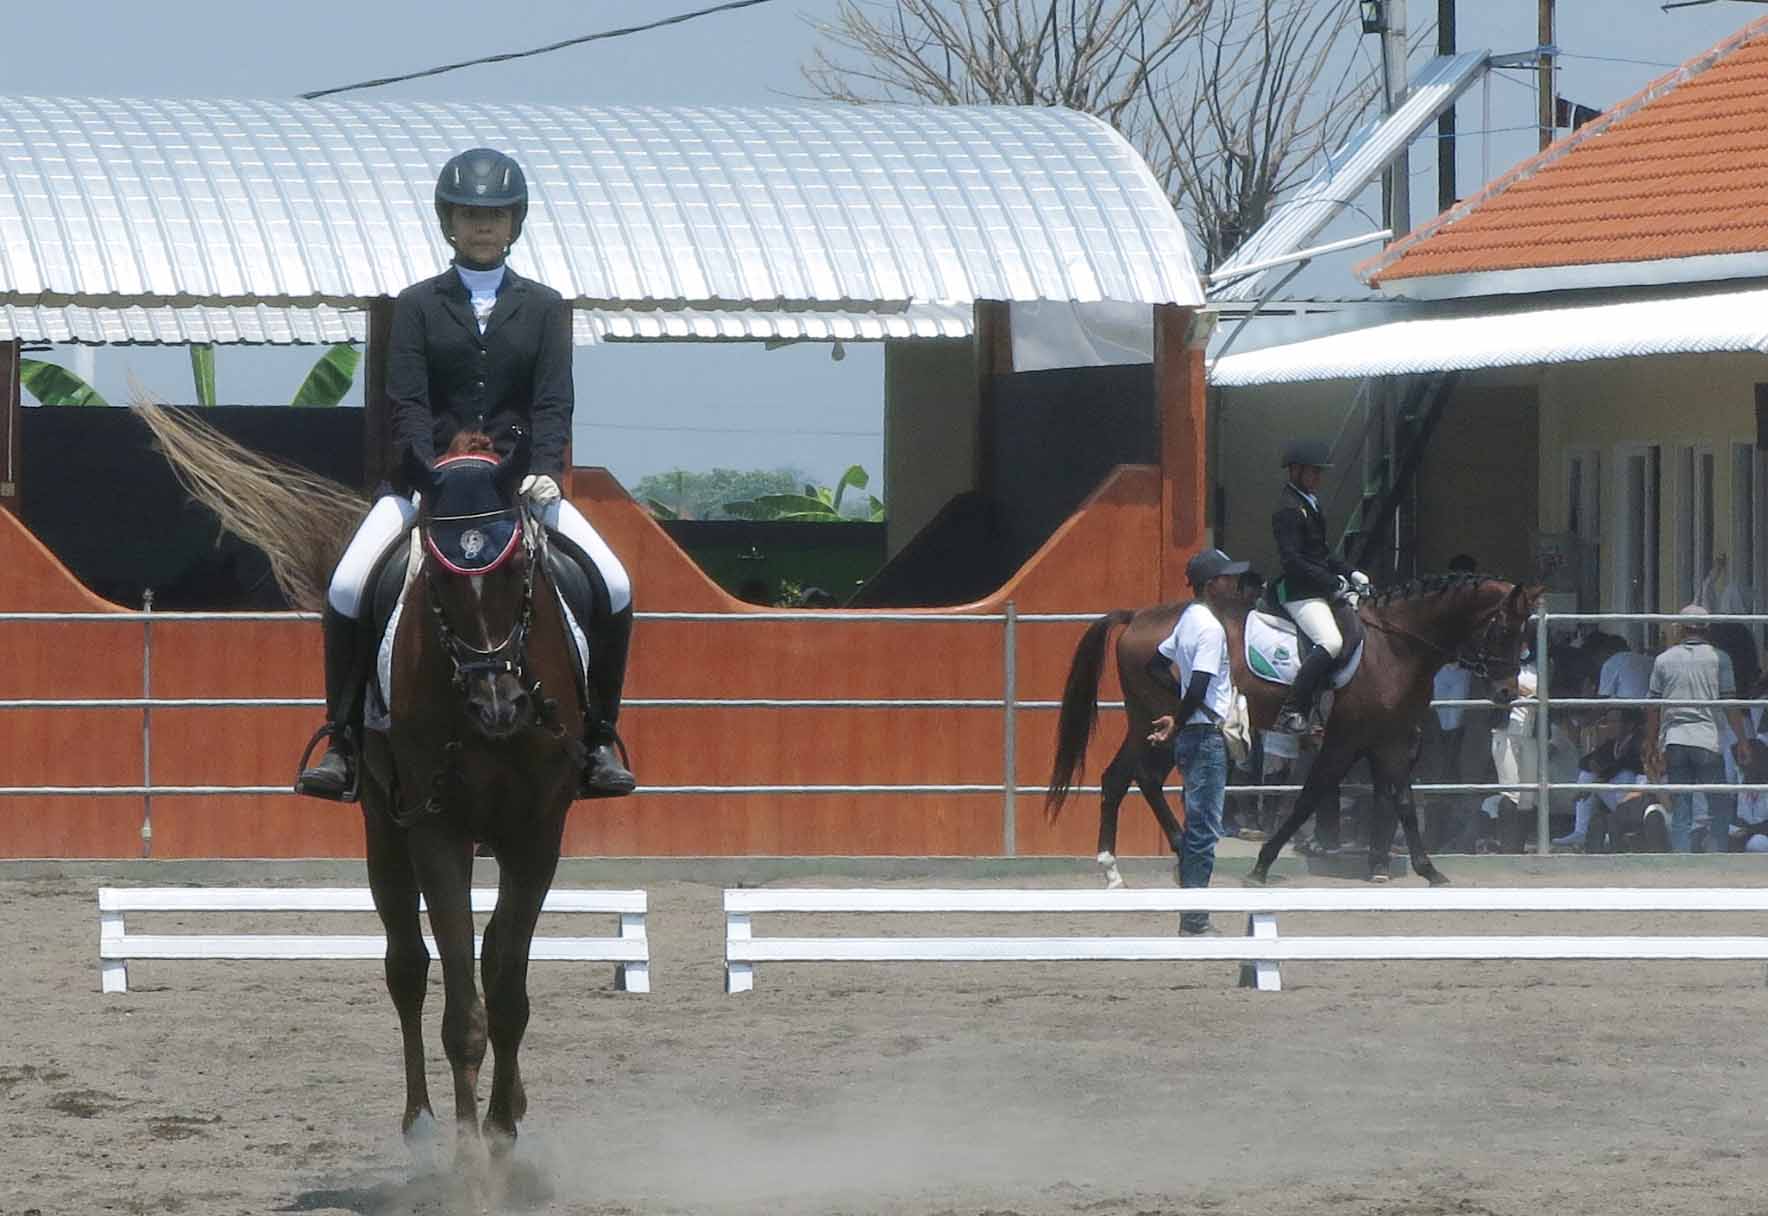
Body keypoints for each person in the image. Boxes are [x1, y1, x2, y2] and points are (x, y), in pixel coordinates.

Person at [296, 148, 637, 802]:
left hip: (517, 485)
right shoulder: (418, 305)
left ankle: (597, 738)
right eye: (470, 214)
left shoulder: (543, 307)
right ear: (448, 222)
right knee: (346, 585)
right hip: (431, 484)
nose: (483, 226)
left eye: (496, 215)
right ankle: (341, 740)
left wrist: (542, 471)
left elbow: (551, 401)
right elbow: (408, 401)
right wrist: (427, 472)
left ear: (516, 223)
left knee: (615, 583)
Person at [1147, 547, 1249, 935]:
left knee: (1197, 824)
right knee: (1205, 829)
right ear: (1211, 585)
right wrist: (1180, 714)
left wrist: (1178, 705)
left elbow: (1155, 663)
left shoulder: (1189, 619)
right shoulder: (1209, 628)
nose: (1234, 584)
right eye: (1227, 578)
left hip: (1194, 732)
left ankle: (1192, 912)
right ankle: (1194, 919)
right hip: (1205, 734)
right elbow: (1203, 684)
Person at [1270, 440, 1368, 733]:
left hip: (1320, 589)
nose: (1318, 478)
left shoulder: (1310, 504)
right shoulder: (1288, 509)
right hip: (1299, 592)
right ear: (1296, 471)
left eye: (1319, 473)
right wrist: (1329, 581)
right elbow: (1292, 559)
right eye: (1313, 472)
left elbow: (1322, 552)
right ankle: (1292, 709)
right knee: (1331, 642)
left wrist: (1352, 573)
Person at [1645, 604, 1753, 853]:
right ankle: (1716, 854)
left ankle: (1682, 860)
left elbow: (1652, 707)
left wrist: (1651, 743)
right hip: (1706, 738)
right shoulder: (1719, 658)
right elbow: (1729, 702)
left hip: (1674, 740)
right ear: (1707, 629)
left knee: (1681, 805)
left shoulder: (1663, 660)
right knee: (1718, 803)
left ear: (1680, 629)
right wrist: (1743, 740)